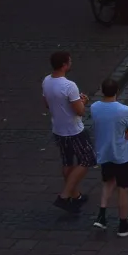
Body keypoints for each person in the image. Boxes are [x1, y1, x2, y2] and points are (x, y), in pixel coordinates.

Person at [91, 77, 128, 237]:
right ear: (117, 92)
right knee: (123, 189)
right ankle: (123, 225)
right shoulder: (125, 110)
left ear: (101, 91)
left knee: (108, 182)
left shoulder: (94, 107)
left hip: (104, 152)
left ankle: (102, 214)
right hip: (122, 155)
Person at [43, 52, 92, 214]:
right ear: (64, 65)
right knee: (87, 159)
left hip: (58, 129)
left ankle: (75, 195)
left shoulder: (46, 81)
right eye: (70, 61)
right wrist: (83, 101)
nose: (71, 63)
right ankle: (64, 196)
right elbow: (80, 112)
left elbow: (47, 104)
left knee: (67, 162)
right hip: (73, 130)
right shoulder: (69, 86)